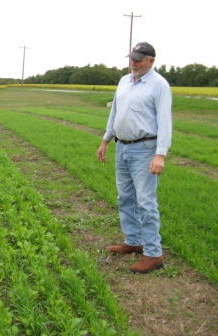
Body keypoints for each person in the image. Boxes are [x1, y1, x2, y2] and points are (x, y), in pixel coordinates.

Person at [97, 42, 172, 274]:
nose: (133, 63)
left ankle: (153, 253)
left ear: (151, 61)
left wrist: (160, 154)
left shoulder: (159, 85)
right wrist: (105, 140)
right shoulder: (124, 81)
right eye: (132, 58)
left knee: (145, 202)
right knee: (125, 198)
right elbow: (115, 112)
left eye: (138, 59)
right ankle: (133, 241)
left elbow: (164, 121)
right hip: (123, 148)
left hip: (145, 149)